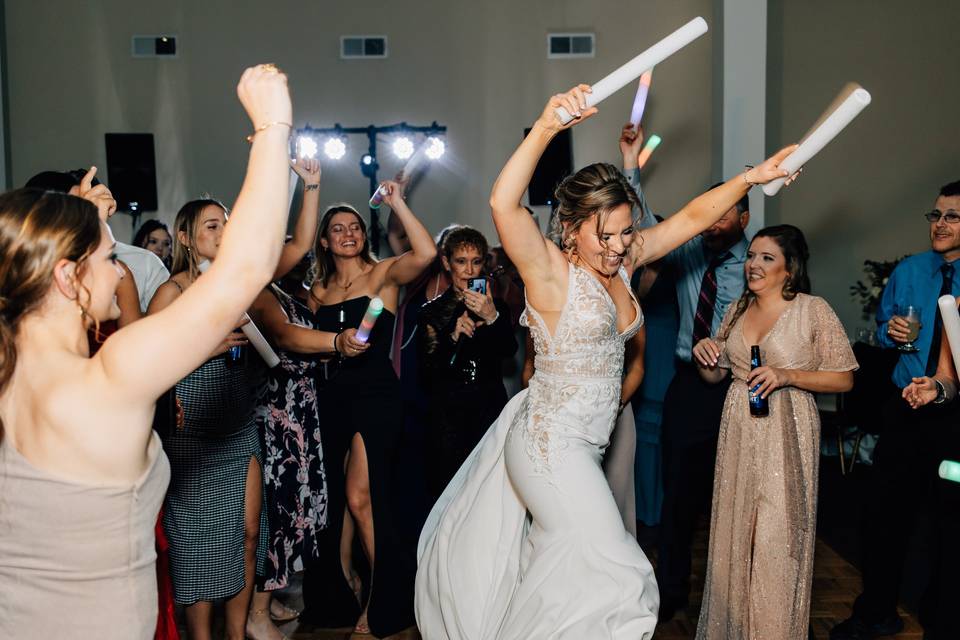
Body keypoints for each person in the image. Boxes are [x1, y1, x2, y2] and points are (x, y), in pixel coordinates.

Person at [415, 84, 798, 639]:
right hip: (549, 444)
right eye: (606, 234)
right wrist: (547, 125)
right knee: (618, 573)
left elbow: (691, 217)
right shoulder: (549, 272)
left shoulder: (621, 262)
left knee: (567, 576)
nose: (619, 245)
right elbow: (503, 203)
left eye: (625, 231)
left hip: (588, 442)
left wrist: (750, 179)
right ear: (571, 228)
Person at [0, 64, 293, 640]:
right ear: (67, 277)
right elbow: (245, 267)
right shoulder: (109, 380)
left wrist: (80, 223)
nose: (121, 274)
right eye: (111, 259)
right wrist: (272, 126)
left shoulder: (13, 376)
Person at [620, 117, 759, 620]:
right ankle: (672, 591)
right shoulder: (688, 254)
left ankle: (739, 600)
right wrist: (630, 164)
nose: (716, 222)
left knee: (738, 497)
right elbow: (642, 226)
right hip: (689, 389)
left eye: (726, 213)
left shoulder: (758, 264)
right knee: (678, 493)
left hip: (742, 389)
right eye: (712, 213)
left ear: (743, 218)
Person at [691, 225, 856, 638]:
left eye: (767, 257)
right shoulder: (735, 309)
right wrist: (704, 356)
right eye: (751, 255)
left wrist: (787, 374)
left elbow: (844, 380)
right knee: (734, 534)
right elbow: (715, 379)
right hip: (738, 428)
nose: (753, 264)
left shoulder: (812, 310)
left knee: (776, 541)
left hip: (788, 428)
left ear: (790, 268)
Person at [300, 184, 436, 637]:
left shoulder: (382, 275)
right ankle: (344, 589)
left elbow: (428, 251)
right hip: (331, 398)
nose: (348, 234)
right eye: (337, 229)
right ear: (324, 241)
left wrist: (397, 201)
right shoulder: (317, 291)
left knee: (362, 498)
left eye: (355, 227)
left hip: (376, 396)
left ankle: (389, 598)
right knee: (336, 502)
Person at [832, 181, 960, 640]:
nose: (940, 224)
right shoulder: (910, 270)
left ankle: (942, 617)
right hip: (905, 405)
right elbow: (884, 331)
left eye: (952, 216)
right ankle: (876, 611)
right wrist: (893, 332)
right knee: (885, 514)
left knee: (950, 521)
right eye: (936, 215)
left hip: (954, 417)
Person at [418, 225, 517, 499]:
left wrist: (492, 317)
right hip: (448, 414)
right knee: (450, 491)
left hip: (489, 407)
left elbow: (509, 351)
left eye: (476, 262)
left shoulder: (497, 306)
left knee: (490, 490)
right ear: (446, 263)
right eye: (461, 261)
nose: (469, 270)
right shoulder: (431, 311)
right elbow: (427, 372)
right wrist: (451, 335)